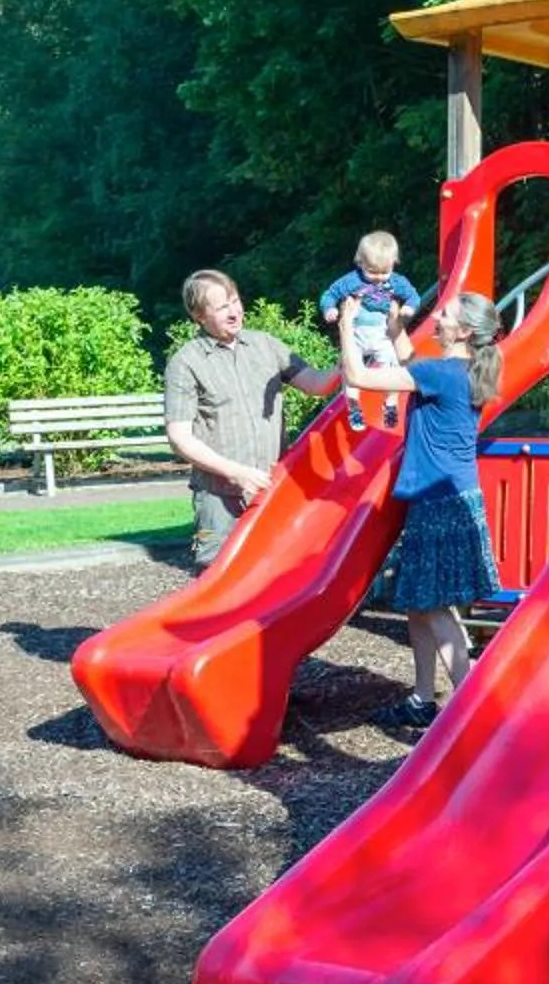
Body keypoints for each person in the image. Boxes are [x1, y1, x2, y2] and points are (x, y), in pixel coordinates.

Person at [342, 290, 506, 730]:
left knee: (433, 606)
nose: (438, 316)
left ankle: (471, 706)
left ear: (464, 331)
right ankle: (420, 698)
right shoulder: (460, 371)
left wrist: (347, 322)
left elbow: (360, 375)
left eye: (446, 313)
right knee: (420, 603)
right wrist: (395, 326)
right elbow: (413, 363)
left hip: (439, 503)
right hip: (451, 497)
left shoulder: (439, 373)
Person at [164, 269, 342, 567]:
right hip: (219, 496)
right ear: (198, 316)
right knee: (219, 577)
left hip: (273, 490)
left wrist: (346, 359)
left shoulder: (266, 345)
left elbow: (317, 384)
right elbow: (179, 438)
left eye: (235, 301)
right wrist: (235, 472)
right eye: (222, 307)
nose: (234, 311)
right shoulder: (185, 363)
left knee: (280, 572)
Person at [318, 231, 426, 432]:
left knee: (393, 368)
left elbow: (413, 297)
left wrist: (409, 308)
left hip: (381, 333)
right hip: (357, 334)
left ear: (394, 263)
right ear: (360, 262)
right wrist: (330, 308)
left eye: (384, 272)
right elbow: (329, 295)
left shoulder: (397, 282)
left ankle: (391, 403)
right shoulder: (351, 281)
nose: (378, 277)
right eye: (372, 272)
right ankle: (353, 407)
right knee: (350, 371)